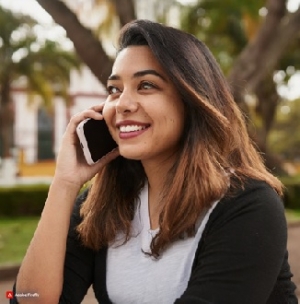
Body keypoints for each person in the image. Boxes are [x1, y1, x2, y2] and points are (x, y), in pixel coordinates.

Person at [12, 19, 297, 304]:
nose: (122, 103)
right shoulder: (103, 205)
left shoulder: (247, 205)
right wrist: (64, 183)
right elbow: (29, 300)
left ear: (192, 100)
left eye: (146, 85)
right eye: (114, 89)